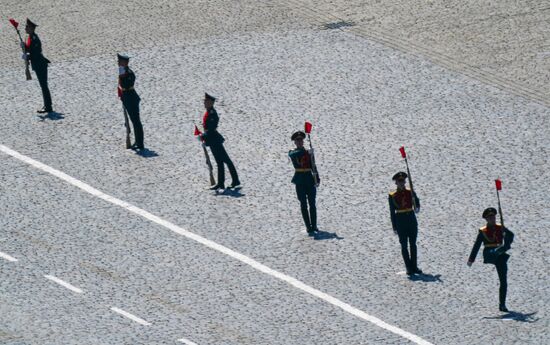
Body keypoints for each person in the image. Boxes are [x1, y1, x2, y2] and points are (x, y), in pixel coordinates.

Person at [468, 207, 514, 312]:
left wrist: (506, 237)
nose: (492, 219)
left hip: (500, 255)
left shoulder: (500, 227)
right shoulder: (483, 231)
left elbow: (511, 235)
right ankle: (500, 250)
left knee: (504, 281)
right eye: (490, 218)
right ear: (486, 219)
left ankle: (502, 304)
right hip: (489, 253)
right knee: (497, 251)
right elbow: (477, 245)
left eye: (493, 217)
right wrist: (471, 259)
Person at [200, 93, 240, 190]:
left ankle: (235, 180)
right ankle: (220, 183)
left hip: (215, 140)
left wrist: (203, 135)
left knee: (226, 160)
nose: (204, 103)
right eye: (204, 101)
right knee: (219, 162)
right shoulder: (208, 112)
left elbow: (212, 128)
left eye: (206, 101)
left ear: (211, 102)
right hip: (212, 140)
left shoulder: (212, 113)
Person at [389, 171, 421, 275]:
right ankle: (408, 267)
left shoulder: (410, 192)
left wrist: (416, 204)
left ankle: (414, 266)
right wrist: (394, 226)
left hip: (411, 220)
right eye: (400, 181)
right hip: (400, 221)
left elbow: (417, 203)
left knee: (413, 244)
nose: (402, 183)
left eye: (403, 181)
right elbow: (392, 212)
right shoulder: (392, 195)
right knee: (404, 245)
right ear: (396, 183)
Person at [288, 131, 319, 235]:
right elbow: (293, 154)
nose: (300, 142)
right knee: (303, 204)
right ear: (295, 142)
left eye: (301, 140)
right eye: (298, 140)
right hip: (300, 180)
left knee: (312, 204)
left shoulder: (308, 152)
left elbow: (313, 165)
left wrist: (317, 177)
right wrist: (306, 152)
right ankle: (308, 226)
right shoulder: (293, 152)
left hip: (310, 180)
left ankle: (314, 225)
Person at [23, 18, 53, 113]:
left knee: (44, 86)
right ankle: (47, 106)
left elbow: (35, 53)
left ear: (31, 28)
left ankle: (48, 107)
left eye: (27, 27)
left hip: (40, 64)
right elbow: (29, 49)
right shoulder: (30, 38)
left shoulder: (35, 39)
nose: (25, 28)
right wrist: (24, 48)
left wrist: (27, 55)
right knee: (43, 86)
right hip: (37, 64)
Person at [117, 53, 144, 150]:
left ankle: (139, 143)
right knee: (134, 121)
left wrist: (122, 75)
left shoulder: (127, 72)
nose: (118, 63)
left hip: (131, 98)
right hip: (127, 97)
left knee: (136, 121)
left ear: (125, 62)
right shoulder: (124, 72)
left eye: (120, 61)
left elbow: (126, 84)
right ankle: (138, 141)